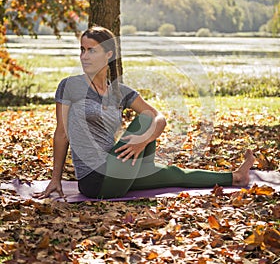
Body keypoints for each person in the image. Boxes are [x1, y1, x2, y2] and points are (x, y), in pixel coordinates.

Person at [34, 25, 255, 200]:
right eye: (82, 50)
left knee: (174, 173)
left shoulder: (119, 92)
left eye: (91, 50)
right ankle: (142, 164)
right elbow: (62, 134)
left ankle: (236, 177)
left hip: (118, 168)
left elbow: (159, 118)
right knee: (144, 119)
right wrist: (56, 179)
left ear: (109, 55)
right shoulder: (70, 86)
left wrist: (143, 141)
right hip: (95, 180)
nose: (84, 56)